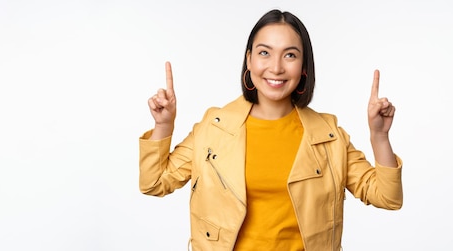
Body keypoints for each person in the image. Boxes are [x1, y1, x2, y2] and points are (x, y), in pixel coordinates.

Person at [138, 9, 403, 251]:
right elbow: (154, 183)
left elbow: (387, 198)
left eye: (290, 55)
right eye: (265, 52)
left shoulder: (328, 135)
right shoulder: (214, 127)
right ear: (249, 60)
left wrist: (379, 136)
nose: (276, 67)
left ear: (303, 67)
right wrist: (164, 125)